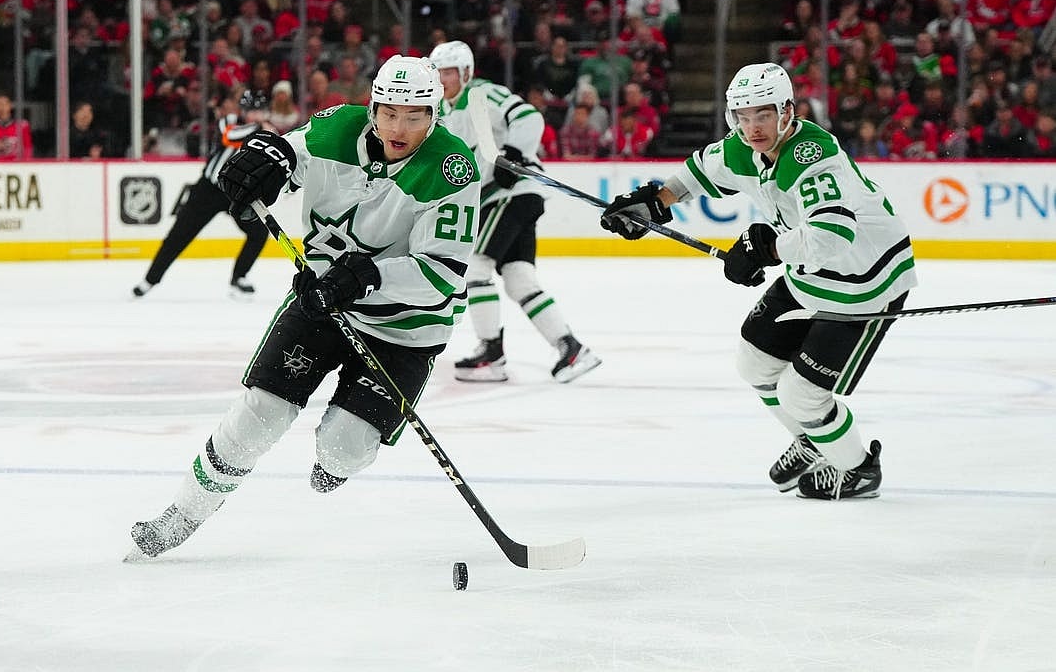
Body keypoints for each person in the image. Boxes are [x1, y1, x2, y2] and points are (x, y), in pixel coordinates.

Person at [126, 56, 481, 559]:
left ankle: (336, 461)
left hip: (406, 328)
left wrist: (367, 275)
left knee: (344, 447)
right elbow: (287, 157)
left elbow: (441, 274)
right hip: (320, 299)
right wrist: (264, 165)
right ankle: (180, 516)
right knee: (258, 415)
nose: (398, 128)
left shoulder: (453, 169)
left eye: (415, 116)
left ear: (435, 116)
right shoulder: (338, 126)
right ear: (373, 105)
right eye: (389, 112)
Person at [600, 63, 916, 500]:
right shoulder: (742, 147)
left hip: (866, 281)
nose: (752, 127)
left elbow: (832, 235)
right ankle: (813, 441)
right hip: (811, 274)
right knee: (754, 362)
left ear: (787, 111)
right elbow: (700, 170)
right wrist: (657, 202)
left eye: (763, 115)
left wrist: (767, 249)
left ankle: (858, 469)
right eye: (742, 116)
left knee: (803, 394)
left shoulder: (813, 157)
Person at [429, 40, 601, 384]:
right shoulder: (444, 112)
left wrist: (515, 153)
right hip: (505, 197)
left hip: (510, 193)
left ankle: (491, 354)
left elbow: (527, 116)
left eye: (448, 71)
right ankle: (572, 348)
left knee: (476, 266)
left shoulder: (480, 94)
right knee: (520, 279)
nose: (442, 78)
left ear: (465, 72)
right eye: (438, 71)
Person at [131, 89, 272, 300]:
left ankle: (239, 277)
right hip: (208, 189)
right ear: (243, 110)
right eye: (252, 110)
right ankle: (150, 280)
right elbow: (229, 137)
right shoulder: (230, 121)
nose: (256, 115)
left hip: (236, 193)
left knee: (259, 233)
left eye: (260, 111)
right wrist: (259, 128)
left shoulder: (267, 134)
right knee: (179, 235)